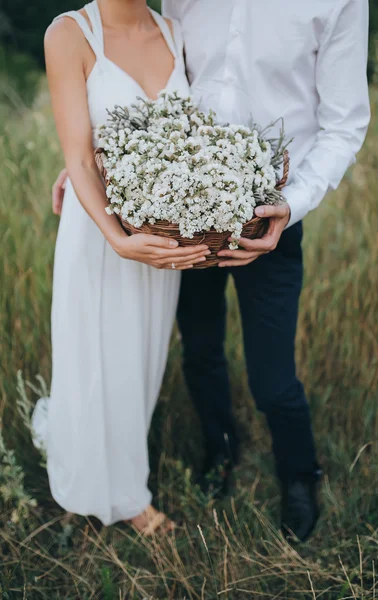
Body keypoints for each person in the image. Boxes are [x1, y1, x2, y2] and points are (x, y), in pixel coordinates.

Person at [52, 0, 371, 542]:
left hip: (270, 212)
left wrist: (287, 208)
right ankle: (218, 450)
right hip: (178, 217)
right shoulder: (173, 7)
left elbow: (345, 126)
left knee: (272, 376)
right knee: (199, 349)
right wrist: (91, 152)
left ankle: (299, 474)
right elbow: (149, 91)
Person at [32, 0, 210, 535]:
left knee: (141, 360)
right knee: (94, 358)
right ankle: (113, 491)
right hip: (100, 236)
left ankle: (126, 474)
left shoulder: (176, 32)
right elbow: (81, 157)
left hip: (161, 239)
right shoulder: (68, 34)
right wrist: (118, 238)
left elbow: (192, 137)